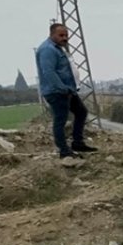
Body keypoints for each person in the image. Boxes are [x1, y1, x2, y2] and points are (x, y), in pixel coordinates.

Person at [36, 23, 97, 158]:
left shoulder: (58, 48)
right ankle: (64, 150)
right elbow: (49, 72)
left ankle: (78, 143)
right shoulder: (48, 50)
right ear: (52, 34)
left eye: (66, 35)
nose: (65, 38)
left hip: (68, 90)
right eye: (61, 35)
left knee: (81, 112)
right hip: (57, 91)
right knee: (60, 120)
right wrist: (62, 88)